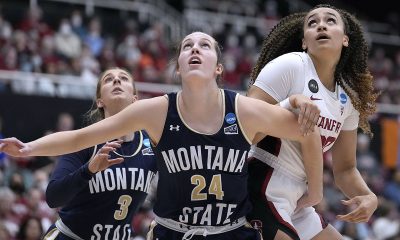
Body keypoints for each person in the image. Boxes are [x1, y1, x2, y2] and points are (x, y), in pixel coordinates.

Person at [0, 32, 323, 240]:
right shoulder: (155, 111)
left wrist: (316, 188)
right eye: (187, 47)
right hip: (172, 232)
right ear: (178, 68)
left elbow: (308, 129)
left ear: (219, 68)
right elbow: (79, 137)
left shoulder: (243, 109)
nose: (195, 49)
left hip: (229, 231)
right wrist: (29, 147)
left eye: (204, 45)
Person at [246, 4, 378, 240]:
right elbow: (243, 127)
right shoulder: (291, 66)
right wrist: (288, 105)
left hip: (299, 199)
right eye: (312, 23)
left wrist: (368, 196)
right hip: (260, 184)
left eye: (330, 21)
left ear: (345, 40)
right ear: (305, 41)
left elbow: (345, 169)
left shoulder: (348, 98)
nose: (321, 25)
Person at [42, 68, 158, 239]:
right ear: (100, 102)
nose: (117, 81)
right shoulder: (85, 140)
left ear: (135, 99)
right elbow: (53, 197)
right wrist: (89, 170)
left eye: (123, 78)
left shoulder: (151, 143)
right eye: (108, 79)